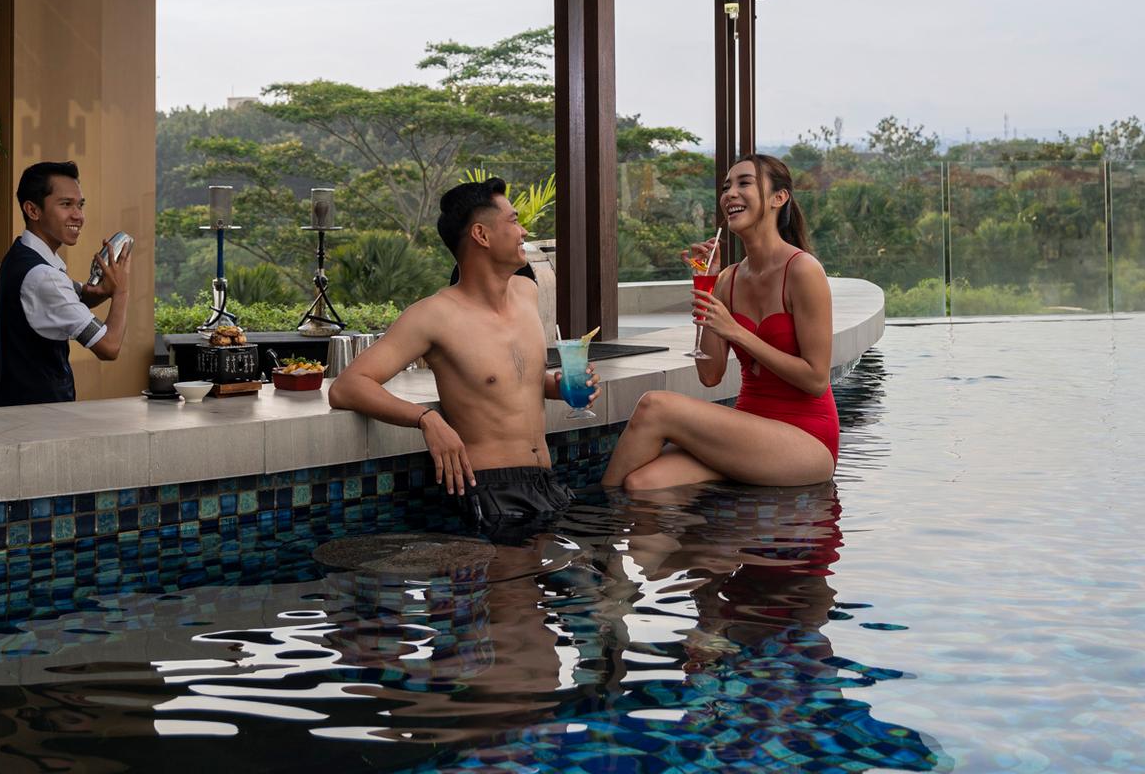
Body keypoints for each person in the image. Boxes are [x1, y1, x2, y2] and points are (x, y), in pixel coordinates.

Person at [329, 177, 597, 540]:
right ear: (482, 235)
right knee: (518, 597)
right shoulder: (434, 315)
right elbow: (347, 387)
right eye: (514, 221)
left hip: (546, 482)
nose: (523, 231)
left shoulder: (526, 292)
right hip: (491, 491)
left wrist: (560, 385)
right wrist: (426, 419)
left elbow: (517, 382)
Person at [602, 155, 837, 490]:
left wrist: (737, 332)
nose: (730, 194)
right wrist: (706, 285)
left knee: (655, 406)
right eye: (727, 186)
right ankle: (695, 544)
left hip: (807, 439)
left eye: (744, 183)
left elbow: (816, 379)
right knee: (644, 484)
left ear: (778, 198)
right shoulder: (728, 279)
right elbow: (709, 375)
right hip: (747, 430)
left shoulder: (802, 270)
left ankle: (597, 532)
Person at [0, 160, 134, 407]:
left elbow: (69, 299)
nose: (78, 216)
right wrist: (122, 290)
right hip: (41, 423)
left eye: (80, 205)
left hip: (16, 415)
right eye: (66, 204)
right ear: (33, 210)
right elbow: (109, 348)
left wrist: (102, 292)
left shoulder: (20, 255)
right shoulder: (44, 277)